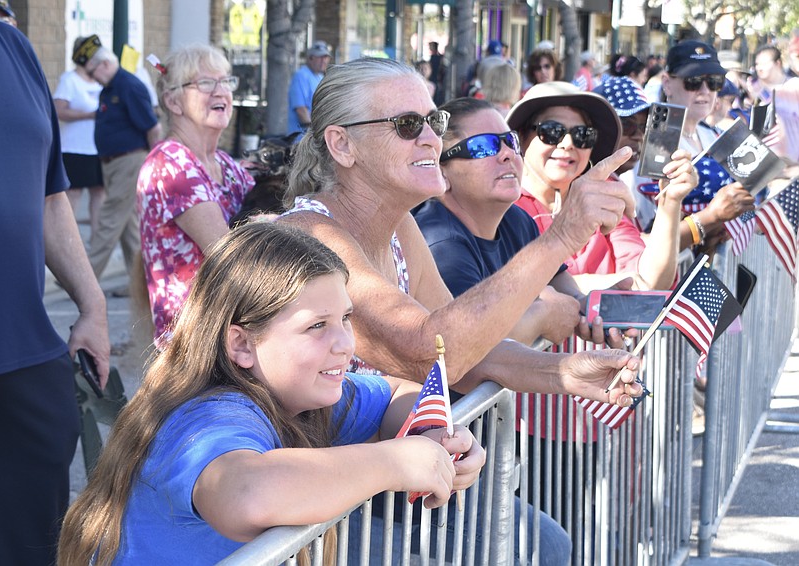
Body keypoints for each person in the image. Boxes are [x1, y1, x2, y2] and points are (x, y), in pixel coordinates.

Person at [278, 57, 644, 563]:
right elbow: (424, 349)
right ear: (342, 145)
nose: (430, 137)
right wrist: (563, 236)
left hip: (382, 481)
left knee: (548, 545)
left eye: (435, 121)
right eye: (408, 125)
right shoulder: (311, 234)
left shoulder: (400, 227)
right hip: (311, 508)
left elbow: (465, 350)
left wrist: (565, 372)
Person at [57, 222, 486, 565]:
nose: (344, 344)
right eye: (316, 326)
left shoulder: (302, 395)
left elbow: (397, 392)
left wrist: (434, 433)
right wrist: (395, 462)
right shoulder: (209, 412)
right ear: (242, 345)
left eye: (345, 319)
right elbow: (245, 493)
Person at [0, 3, 110, 564]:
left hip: (20, 350)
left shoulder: (13, 48)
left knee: (36, 550)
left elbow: (49, 196)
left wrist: (91, 305)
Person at [415, 97, 627, 346]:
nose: (506, 154)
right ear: (442, 172)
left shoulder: (516, 220)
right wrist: (542, 317)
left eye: (510, 141)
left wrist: (594, 310)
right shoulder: (439, 242)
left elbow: (563, 289)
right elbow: (468, 343)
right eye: (483, 146)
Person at [509, 81, 695, 291]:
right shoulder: (503, 205)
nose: (568, 143)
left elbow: (649, 282)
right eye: (552, 131)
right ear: (521, 138)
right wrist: (606, 286)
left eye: (582, 135)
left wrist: (670, 202)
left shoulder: (603, 194)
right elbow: (517, 289)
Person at [137, 45, 256, 345]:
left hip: (235, 330)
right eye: (205, 83)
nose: (220, 91)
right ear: (173, 102)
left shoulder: (226, 165)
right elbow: (227, 251)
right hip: (195, 345)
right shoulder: (170, 163)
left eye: (226, 81)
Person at [650, 40, 755, 251]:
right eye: (694, 81)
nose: (705, 90)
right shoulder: (656, 140)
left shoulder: (713, 135)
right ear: (667, 83)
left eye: (715, 82)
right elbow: (646, 238)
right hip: (666, 274)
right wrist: (710, 218)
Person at [75, 35, 163, 282]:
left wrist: (154, 163)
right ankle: (142, 282)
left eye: (92, 72)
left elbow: (152, 128)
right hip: (113, 163)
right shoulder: (110, 88)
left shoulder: (128, 85)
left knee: (109, 220)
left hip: (130, 161)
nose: (92, 78)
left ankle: (84, 278)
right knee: (129, 229)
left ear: (104, 64)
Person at [54, 36, 106, 241]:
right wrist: (90, 115)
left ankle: (97, 241)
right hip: (74, 148)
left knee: (99, 194)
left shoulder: (102, 79)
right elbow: (58, 111)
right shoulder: (69, 80)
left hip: (98, 148)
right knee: (71, 196)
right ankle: (65, 241)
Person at [287, 40, 331, 134]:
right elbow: (301, 110)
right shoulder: (301, 76)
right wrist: (313, 135)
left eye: (326, 57)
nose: (324, 61)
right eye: (320, 57)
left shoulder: (320, 77)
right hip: (302, 139)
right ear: (310, 58)